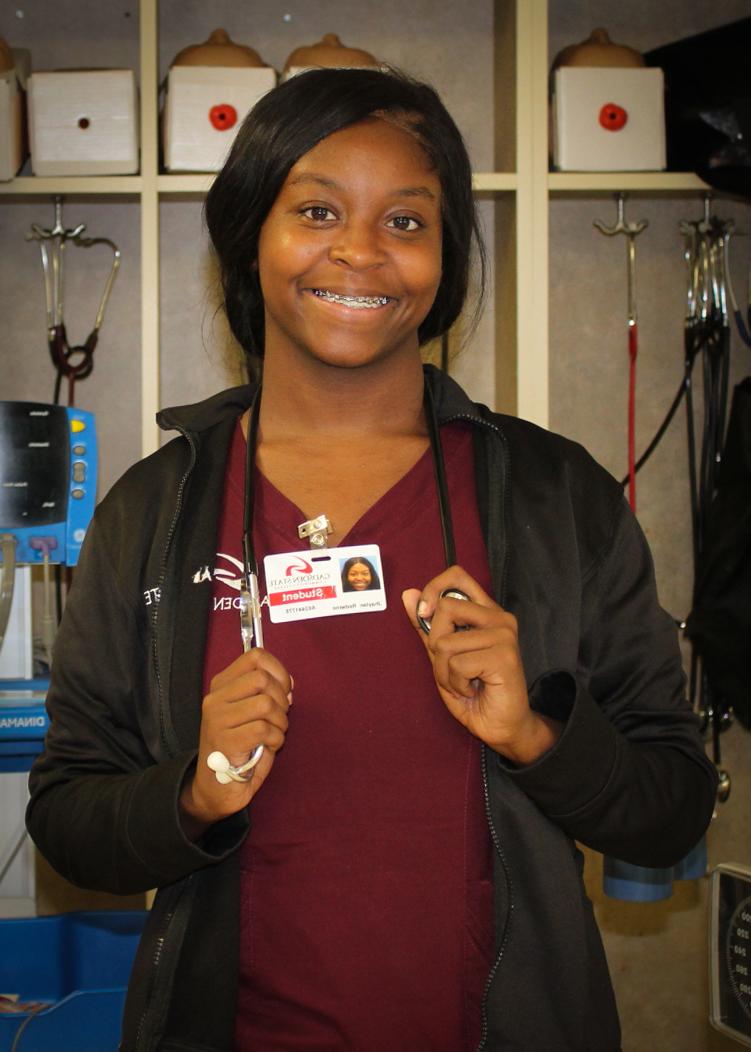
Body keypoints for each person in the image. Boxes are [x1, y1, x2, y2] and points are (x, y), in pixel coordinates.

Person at [26, 67, 717, 1052]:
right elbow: (66, 814)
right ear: (249, 238)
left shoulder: (552, 494)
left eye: (405, 222)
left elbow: (670, 802)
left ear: (444, 261)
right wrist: (194, 792)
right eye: (315, 209)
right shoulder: (158, 504)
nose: (359, 252)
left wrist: (536, 732)